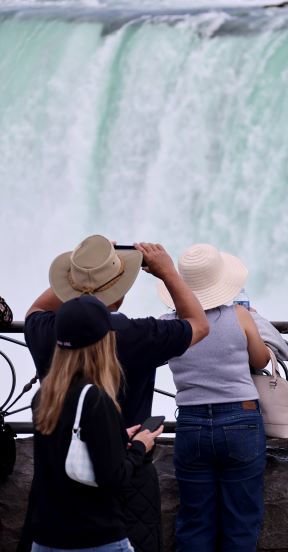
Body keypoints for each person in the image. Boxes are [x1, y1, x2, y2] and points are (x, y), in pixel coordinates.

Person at [21, 235, 210, 552]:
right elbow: (198, 324)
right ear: (119, 294)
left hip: (52, 498)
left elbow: (36, 309)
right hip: (122, 497)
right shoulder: (134, 334)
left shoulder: (48, 332)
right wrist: (167, 272)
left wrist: (84, 270)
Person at [29, 295, 164, 551]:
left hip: (47, 538)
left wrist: (115, 435)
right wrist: (139, 446)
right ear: (103, 343)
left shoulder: (43, 397)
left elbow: (67, 445)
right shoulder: (95, 399)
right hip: (96, 538)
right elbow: (114, 478)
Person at [159, 243, 269, 551]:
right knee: (241, 522)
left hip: (191, 423)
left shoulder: (169, 326)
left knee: (195, 522)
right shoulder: (240, 316)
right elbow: (260, 361)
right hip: (241, 421)